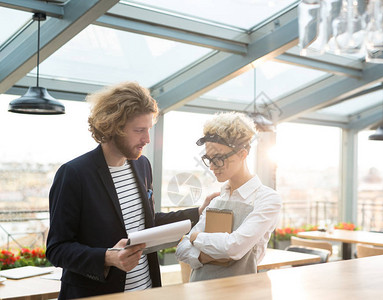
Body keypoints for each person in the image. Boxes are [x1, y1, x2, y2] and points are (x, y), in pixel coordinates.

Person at [46, 81, 213, 299]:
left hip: (144, 291)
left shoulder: (142, 165)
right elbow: (57, 249)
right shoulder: (74, 174)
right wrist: (108, 257)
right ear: (114, 126)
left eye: (149, 129)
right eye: (139, 130)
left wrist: (198, 213)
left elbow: (147, 223)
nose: (147, 139)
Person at [176, 112, 282, 282]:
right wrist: (207, 257)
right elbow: (181, 248)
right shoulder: (217, 198)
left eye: (218, 159)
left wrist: (197, 238)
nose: (211, 167)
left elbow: (233, 247)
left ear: (242, 154)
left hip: (240, 291)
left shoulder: (268, 199)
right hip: (199, 291)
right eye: (208, 159)